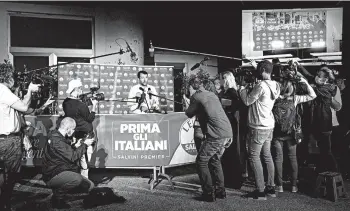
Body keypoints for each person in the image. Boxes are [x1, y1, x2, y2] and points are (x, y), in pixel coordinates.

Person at [0, 60, 40, 210]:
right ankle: (4, 205)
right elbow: (24, 107)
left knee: (4, 174)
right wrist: (29, 91)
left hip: (4, 140)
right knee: (11, 176)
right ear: (8, 77)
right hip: (8, 141)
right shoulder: (3, 90)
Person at [185, 76, 233, 202]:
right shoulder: (211, 94)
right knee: (215, 159)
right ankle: (220, 191)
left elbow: (189, 113)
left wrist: (187, 100)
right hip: (227, 131)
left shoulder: (195, 96)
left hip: (216, 134)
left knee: (201, 161)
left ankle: (208, 193)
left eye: (189, 87)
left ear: (191, 87)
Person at [239, 60, 280, 200]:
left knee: (254, 156)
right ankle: (271, 188)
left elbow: (247, 101)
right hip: (269, 125)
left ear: (262, 70)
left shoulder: (261, 85)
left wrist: (242, 89)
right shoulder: (275, 85)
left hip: (258, 126)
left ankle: (260, 191)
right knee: (267, 156)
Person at [271, 75, 316, 193]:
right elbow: (313, 95)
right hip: (291, 133)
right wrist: (303, 80)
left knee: (278, 158)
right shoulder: (295, 98)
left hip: (277, 132)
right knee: (292, 158)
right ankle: (294, 186)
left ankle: (279, 185)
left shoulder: (275, 97)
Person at [42, 117, 95, 209]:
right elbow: (73, 157)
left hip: (58, 170)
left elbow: (65, 151)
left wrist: (76, 145)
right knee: (77, 179)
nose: (74, 131)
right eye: (73, 129)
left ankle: (57, 192)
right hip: (53, 174)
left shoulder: (56, 136)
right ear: (68, 129)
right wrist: (85, 145)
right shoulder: (57, 140)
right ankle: (57, 197)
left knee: (90, 186)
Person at [62, 78, 98, 178]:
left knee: (78, 157)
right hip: (86, 134)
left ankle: (78, 179)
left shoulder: (65, 102)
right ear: (76, 89)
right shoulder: (81, 105)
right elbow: (90, 118)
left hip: (74, 134)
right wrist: (94, 107)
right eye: (80, 88)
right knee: (85, 159)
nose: (82, 91)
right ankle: (84, 181)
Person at [310, 67, 340, 173]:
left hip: (327, 122)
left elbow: (338, 106)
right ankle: (324, 171)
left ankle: (334, 171)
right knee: (323, 149)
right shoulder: (322, 87)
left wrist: (330, 98)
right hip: (320, 122)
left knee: (326, 150)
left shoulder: (328, 88)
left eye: (319, 76)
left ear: (325, 78)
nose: (316, 77)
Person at [220, 71, 244, 189]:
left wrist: (222, 103)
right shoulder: (229, 91)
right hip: (230, 122)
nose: (219, 81)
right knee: (230, 150)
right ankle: (231, 179)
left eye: (221, 79)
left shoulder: (231, 92)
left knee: (231, 150)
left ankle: (233, 179)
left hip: (230, 123)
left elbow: (236, 105)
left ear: (225, 80)